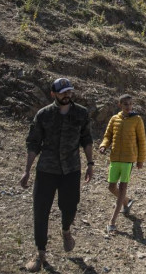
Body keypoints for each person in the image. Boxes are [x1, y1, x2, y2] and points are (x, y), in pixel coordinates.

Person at [19, 78, 94, 273]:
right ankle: (40, 253)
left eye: (69, 91)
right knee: (40, 211)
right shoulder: (43, 115)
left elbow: (86, 138)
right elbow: (33, 143)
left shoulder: (81, 113)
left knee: (70, 206)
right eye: (62, 92)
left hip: (71, 169)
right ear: (53, 94)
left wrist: (90, 163)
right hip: (46, 170)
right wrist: (27, 170)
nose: (67, 95)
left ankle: (66, 230)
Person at [98, 94, 146, 233]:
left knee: (122, 187)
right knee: (111, 187)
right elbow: (108, 135)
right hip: (115, 158)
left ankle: (112, 221)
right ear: (120, 105)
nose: (128, 107)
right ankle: (126, 201)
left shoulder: (137, 119)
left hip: (128, 159)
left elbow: (142, 141)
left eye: (130, 104)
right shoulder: (114, 119)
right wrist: (103, 146)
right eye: (125, 104)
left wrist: (140, 160)